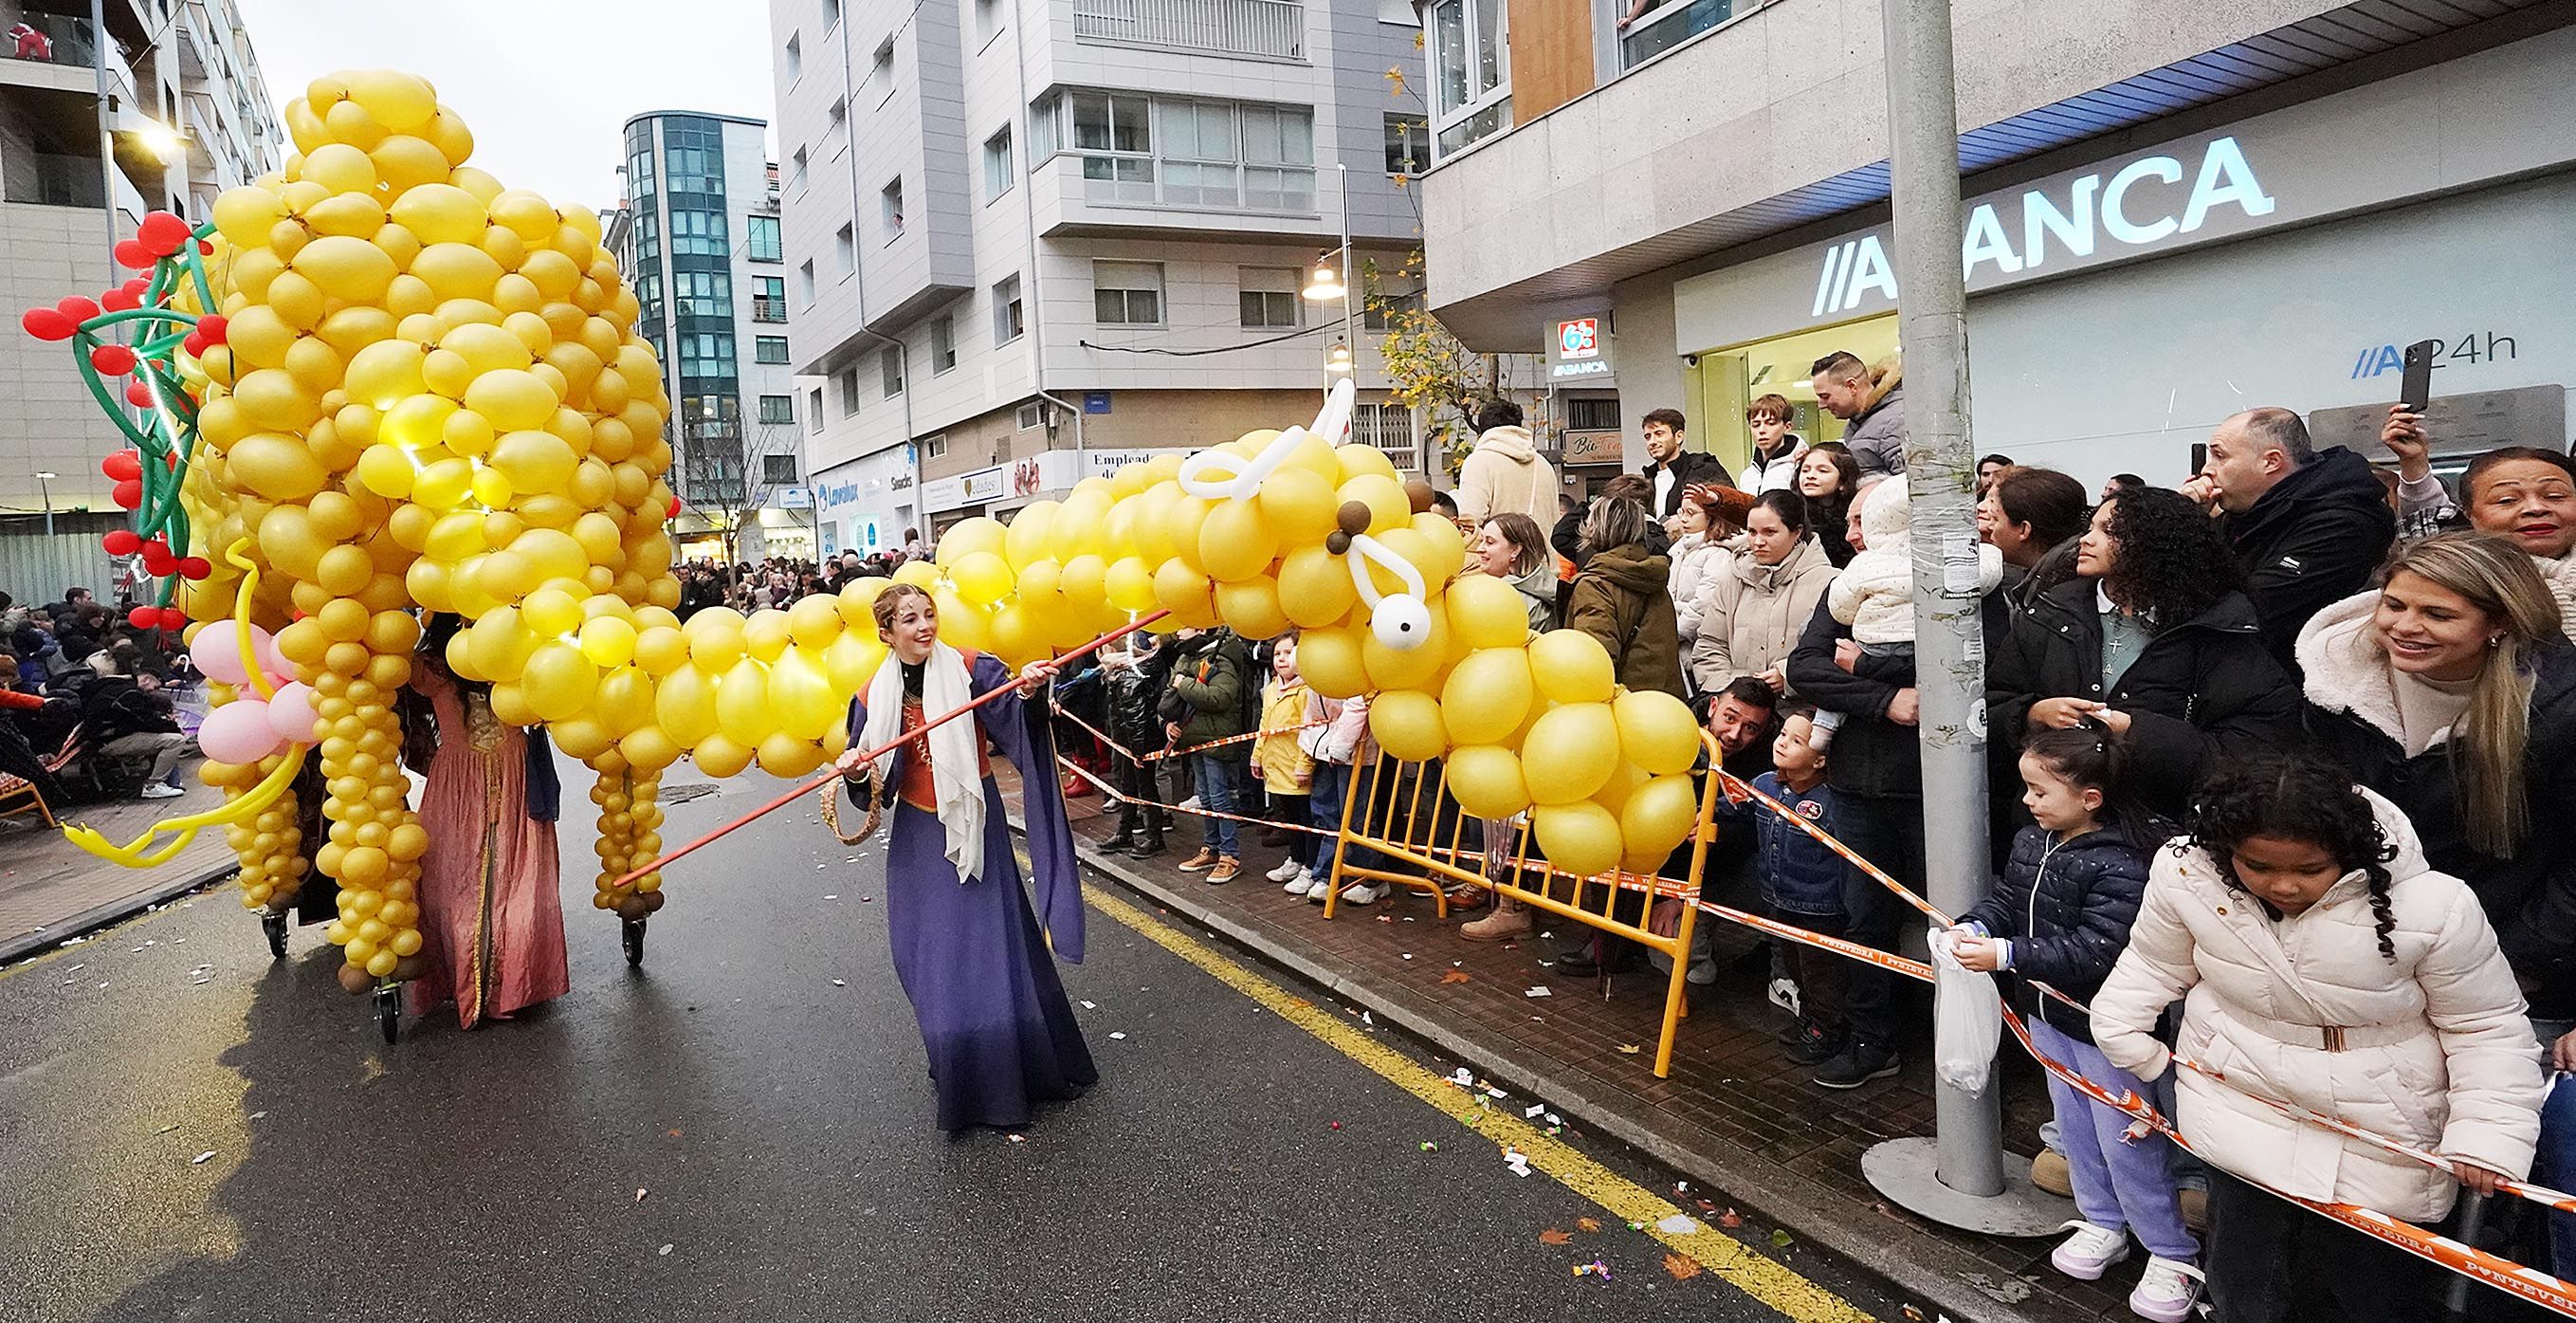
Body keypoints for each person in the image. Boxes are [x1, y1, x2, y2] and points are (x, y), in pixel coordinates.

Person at [2089, 759, 2545, 1323]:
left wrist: (2489, 1135)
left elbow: (2486, 1026)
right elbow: (2154, 962)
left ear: (2350, 853)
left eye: (2310, 869)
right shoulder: (2188, 874)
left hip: (2380, 1129)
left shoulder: (2434, 907)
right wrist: (2122, 1030)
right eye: (2256, 865)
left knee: (2371, 1297)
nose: (2283, 885)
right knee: (2243, 1288)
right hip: (2239, 1107)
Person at [1948, 726, 2198, 1321]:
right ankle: (2102, 1221)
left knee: (2127, 1136)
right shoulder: (2035, 840)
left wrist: (2007, 955)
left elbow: (2099, 949)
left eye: (2039, 790)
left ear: (2090, 797)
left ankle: (2170, 1251)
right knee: (2075, 1125)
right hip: (2047, 1013)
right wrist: (1978, 925)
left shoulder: (2125, 862)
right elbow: (2009, 899)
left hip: (2110, 1026)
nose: (2028, 802)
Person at [836, 584, 1095, 1131]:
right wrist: (857, 770)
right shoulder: (868, 697)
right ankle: (959, 1067)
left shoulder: (975, 669)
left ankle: (1021, 1068)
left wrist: (1027, 692)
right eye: (910, 619)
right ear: (887, 633)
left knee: (992, 941)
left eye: (930, 614)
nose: (925, 626)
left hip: (977, 821)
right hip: (918, 835)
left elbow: (1017, 718)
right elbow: (869, 786)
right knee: (932, 951)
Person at [1987, 486, 2298, 820]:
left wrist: (2137, 732)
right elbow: (1989, 708)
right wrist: (2034, 713)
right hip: (2052, 831)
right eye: (2090, 527)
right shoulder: (2049, 613)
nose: (2085, 540)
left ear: (2156, 543)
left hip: (2161, 830)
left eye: (2108, 531)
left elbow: (2254, 748)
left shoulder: (2215, 628)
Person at [405, 615, 570, 1031]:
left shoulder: (435, 667)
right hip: (479, 782)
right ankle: (503, 984)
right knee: (481, 878)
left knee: (479, 879)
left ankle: (503, 982)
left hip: (480, 782)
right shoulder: (508, 659)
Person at [2194, 407, 2397, 674]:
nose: (2207, 470)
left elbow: (2249, 611)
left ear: (2271, 461)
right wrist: (2191, 520)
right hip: (2241, 676)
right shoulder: (2245, 514)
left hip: (2297, 688)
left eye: (2219, 456)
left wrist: (2182, 526)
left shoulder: (2342, 523)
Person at [1811, 476, 2001, 748]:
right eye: (1848, 523)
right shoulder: (1970, 569)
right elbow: (1805, 668)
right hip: (1860, 760)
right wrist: (1886, 699)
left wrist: (1865, 665)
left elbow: (1975, 661)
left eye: (1862, 521)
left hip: (1942, 754)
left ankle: (1823, 727)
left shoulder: (1863, 570)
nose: (1850, 535)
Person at [1732, 708, 1857, 1060]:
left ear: (1819, 761)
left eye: (1797, 741)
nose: (1782, 743)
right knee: (1793, 964)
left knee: (1822, 973)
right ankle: (1811, 1018)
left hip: (1821, 907)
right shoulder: (1764, 784)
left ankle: (1829, 1030)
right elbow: (1733, 805)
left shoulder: (1831, 802)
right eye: (1783, 734)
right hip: (1779, 900)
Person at [1690, 490, 1836, 698]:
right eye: (1752, 532)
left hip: (1799, 716)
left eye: (1769, 532)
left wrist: (1789, 675)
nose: (1758, 541)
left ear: (1796, 532)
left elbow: (1833, 651)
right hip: (1735, 709)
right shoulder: (1732, 579)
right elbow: (1710, 645)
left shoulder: (1827, 582)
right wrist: (1736, 693)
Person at [1563, 494, 1687, 700]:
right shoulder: (1653, 575)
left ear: (1598, 527)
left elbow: (1595, 662)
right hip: (1663, 705)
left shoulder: (1596, 584)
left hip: (1620, 710)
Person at [1166, 626, 1257, 884]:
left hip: (1216, 740)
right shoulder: (1185, 658)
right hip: (1193, 737)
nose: (1177, 633)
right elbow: (1169, 695)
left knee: (1220, 799)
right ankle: (1211, 847)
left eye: (1183, 628)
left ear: (1200, 629)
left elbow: (1221, 697)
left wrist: (1185, 684)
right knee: (1206, 799)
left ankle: (1230, 856)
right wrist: (1168, 722)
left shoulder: (1221, 659)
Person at [1095, 633, 1170, 858]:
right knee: (1128, 787)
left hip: (1138, 742)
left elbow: (1135, 715)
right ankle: (1124, 833)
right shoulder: (1120, 671)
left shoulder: (1130, 675)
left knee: (1146, 789)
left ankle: (1154, 837)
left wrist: (1138, 751)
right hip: (1126, 741)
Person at [1256, 638, 1322, 896]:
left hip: (1296, 767)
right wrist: (1257, 755)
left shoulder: (1306, 691)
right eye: (1277, 653)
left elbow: (1310, 730)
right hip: (1276, 765)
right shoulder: (1272, 688)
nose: (1281, 658)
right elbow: (1264, 723)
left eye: (1288, 653)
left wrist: (1304, 765)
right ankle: (1295, 859)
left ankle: (1309, 866)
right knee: (1290, 819)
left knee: (1306, 819)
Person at [1979, 465, 2090, 614]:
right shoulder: (2056, 577)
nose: (1991, 526)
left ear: (2024, 530)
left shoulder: (2058, 600)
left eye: (1996, 519)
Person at [1300, 686, 1375, 907]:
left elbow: (1358, 703)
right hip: (1323, 747)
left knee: (1355, 818)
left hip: (1354, 750)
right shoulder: (1314, 665)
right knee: (1326, 814)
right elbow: (1312, 707)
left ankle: (1367, 876)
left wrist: (1342, 746)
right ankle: (1327, 874)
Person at [1666, 489, 1738, 678]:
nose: (1684, 519)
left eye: (1691, 513)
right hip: (1680, 645)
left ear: (1712, 517)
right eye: (1681, 512)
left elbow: (1705, 604)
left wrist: (1674, 632)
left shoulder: (1719, 553)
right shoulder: (1679, 550)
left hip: (1701, 648)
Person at [1454, 399, 1559, 529]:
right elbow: (1554, 518)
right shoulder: (1543, 463)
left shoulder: (1478, 462)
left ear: (1482, 430)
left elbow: (1472, 518)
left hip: (1500, 548)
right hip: (1542, 548)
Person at [1811, 351, 1905, 478]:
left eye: (1825, 396)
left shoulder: (1894, 423)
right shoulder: (1856, 424)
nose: (1821, 405)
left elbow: (1911, 487)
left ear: (1851, 386)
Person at [1638, 408, 1731, 519]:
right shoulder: (1648, 480)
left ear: (1678, 437)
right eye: (1648, 437)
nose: (1652, 442)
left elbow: (1729, 508)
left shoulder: (1702, 469)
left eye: (1659, 434)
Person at [1472, 512, 1557, 634]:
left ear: (1515, 550)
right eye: (1482, 541)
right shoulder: (1545, 588)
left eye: (1490, 542)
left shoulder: (1507, 598)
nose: (1479, 549)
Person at [1796, 442, 1863, 567]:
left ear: (1842, 481)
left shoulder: (1857, 512)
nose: (1810, 476)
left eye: (1822, 471)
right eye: (1805, 470)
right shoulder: (1792, 513)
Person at [1739, 395, 1807, 494]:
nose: (1761, 430)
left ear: (1787, 427)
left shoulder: (1800, 468)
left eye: (1770, 423)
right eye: (1756, 425)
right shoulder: (1748, 475)